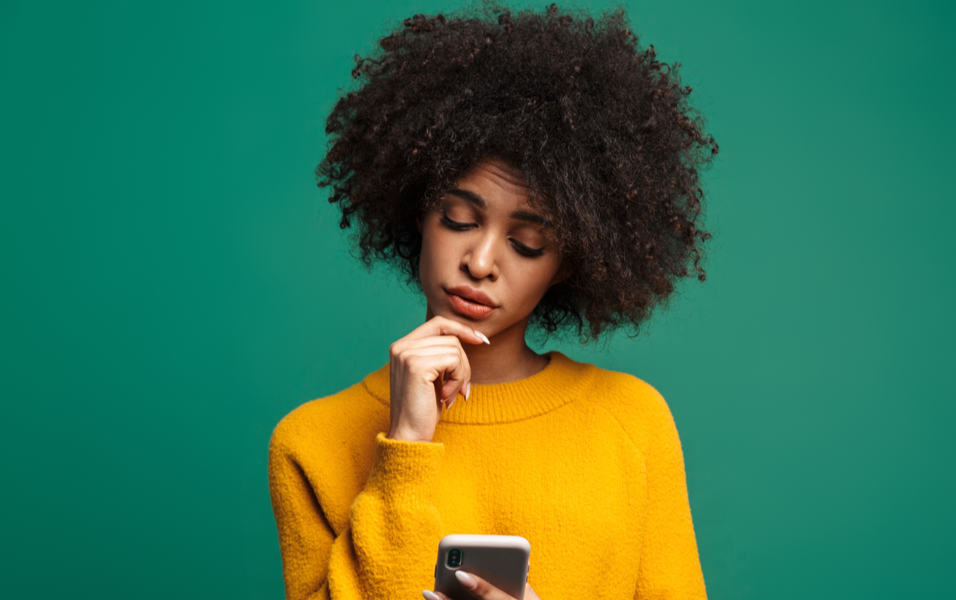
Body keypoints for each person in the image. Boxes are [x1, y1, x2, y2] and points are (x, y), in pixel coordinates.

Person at [267, 3, 718, 599]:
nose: (480, 262)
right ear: (416, 212)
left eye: (528, 244)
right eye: (458, 218)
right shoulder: (312, 443)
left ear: (567, 265)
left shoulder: (632, 423)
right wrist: (404, 449)